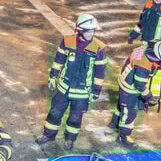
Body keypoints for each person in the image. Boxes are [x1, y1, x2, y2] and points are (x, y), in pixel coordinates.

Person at [36, 14, 108, 151]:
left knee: (75, 118)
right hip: (64, 88)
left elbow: (99, 73)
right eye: (88, 31)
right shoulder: (67, 41)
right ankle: (48, 135)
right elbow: (59, 60)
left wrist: (96, 92)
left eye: (93, 31)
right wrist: (53, 76)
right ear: (79, 30)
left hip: (82, 93)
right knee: (54, 113)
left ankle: (70, 139)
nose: (91, 33)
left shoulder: (99, 48)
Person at [109, 40, 161, 150]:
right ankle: (123, 137)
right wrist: (149, 96)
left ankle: (114, 123)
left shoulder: (149, 47)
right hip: (130, 88)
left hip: (125, 80)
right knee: (129, 113)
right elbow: (139, 85)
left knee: (122, 106)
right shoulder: (144, 65)